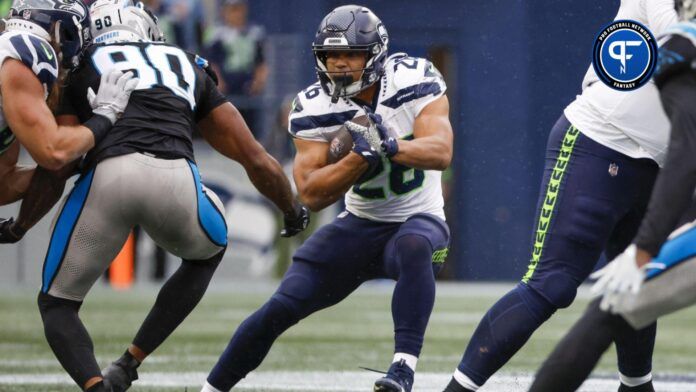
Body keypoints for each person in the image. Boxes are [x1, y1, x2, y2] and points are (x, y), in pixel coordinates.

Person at [4, 1, 308, 391]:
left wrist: (20, 225)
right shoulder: (184, 62)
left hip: (107, 179)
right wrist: (291, 207)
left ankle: (97, 386)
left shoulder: (81, 65)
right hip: (176, 179)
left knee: (57, 305)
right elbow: (254, 157)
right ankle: (130, 363)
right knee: (208, 252)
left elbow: (58, 166)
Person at [202, 5, 453, 392]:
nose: (338, 64)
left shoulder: (413, 78)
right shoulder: (314, 106)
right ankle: (213, 387)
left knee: (415, 244)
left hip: (417, 217)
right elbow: (312, 193)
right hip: (359, 224)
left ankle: (402, 370)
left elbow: (440, 150)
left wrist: (388, 145)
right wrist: (358, 156)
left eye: (349, 54)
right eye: (330, 55)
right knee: (281, 307)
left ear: (375, 55)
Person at [443, 1, 679, 392]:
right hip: (601, 139)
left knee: (639, 286)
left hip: (661, 162)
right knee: (552, 283)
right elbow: (677, 42)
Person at [529, 2, 696, 390]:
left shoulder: (682, 48)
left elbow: (685, 156)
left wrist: (645, 248)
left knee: (612, 310)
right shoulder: (680, 46)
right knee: (615, 307)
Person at [0, 0, 138, 242]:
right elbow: (52, 151)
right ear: (59, 28)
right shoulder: (27, 47)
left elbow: (3, 184)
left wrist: (75, 163)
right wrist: (106, 116)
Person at [204, 0, 267, 137]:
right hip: (226, 86)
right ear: (224, 12)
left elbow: (261, 61)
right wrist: (217, 81)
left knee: (249, 125)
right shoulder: (217, 34)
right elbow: (211, 61)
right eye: (232, 10)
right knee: (225, 123)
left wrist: (258, 81)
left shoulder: (255, 32)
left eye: (238, 9)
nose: (236, 14)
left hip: (248, 85)